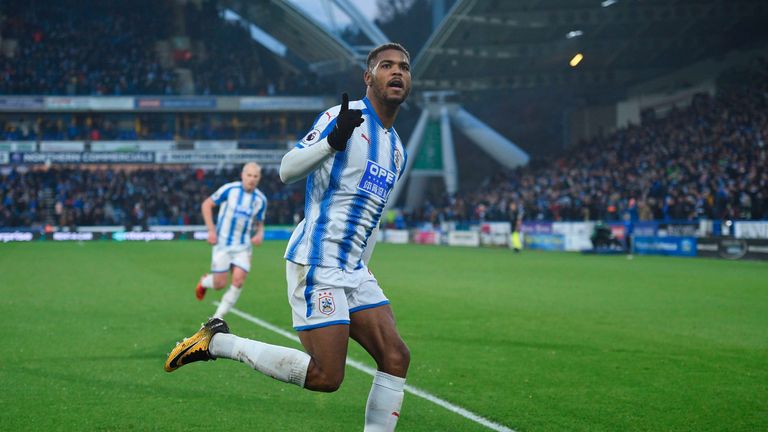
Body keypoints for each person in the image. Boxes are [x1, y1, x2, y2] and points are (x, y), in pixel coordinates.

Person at [165, 43, 412, 431]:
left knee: (396, 357)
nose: (396, 72)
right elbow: (286, 169)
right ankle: (216, 343)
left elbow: (373, 218)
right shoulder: (343, 117)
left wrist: (363, 269)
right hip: (318, 261)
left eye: (403, 67)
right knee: (326, 377)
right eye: (386, 66)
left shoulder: (397, 149)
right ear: (369, 77)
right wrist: (332, 141)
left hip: (354, 269)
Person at [194, 162, 267, 319]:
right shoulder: (230, 190)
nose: (252, 179)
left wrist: (260, 233)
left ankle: (217, 318)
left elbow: (259, 221)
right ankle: (205, 281)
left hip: (243, 246)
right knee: (219, 284)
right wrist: (211, 231)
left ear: (259, 178)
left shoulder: (261, 200)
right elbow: (207, 205)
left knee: (238, 281)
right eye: (249, 175)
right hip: (223, 244)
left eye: (255, 176)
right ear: (242, 175)